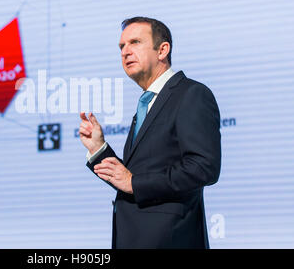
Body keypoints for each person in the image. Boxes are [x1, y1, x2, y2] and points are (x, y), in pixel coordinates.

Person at [78, 17, 221, 249]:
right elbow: (133, 176)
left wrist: (135, 182)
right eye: (121, 46)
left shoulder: (191, 94)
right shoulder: (147, 102)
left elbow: (203, 167)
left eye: (135, 42)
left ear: (162, 50)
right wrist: (98, 149)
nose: (125, 52)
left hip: (170, 241)